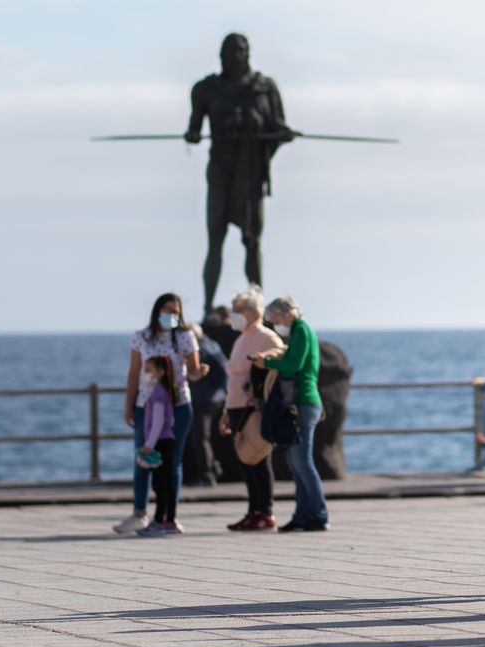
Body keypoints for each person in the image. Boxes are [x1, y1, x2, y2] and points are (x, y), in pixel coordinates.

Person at [185, 33, 295, 317]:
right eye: (230, 51)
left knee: (252, 240)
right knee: (215, 239)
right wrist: (193, 134)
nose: (235, 56)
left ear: (249, 54)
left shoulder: (265, 89)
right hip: (221, 171)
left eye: (241, 51)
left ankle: (257, 306)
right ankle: (208, 308)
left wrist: (280, 133)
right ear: (221, 55)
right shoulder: (206, 89)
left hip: (251, 174)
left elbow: (278, 129)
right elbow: (195, 128)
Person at [114, 293, 209, 535]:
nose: (172, 315)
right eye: (167, 310)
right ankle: (139, 512)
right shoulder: (142, 337)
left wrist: (199, 373)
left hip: (177, 405)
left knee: (172, 462)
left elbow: (193, 370)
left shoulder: (185, 336)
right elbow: (134, 372)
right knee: (143, 458)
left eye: (176, 311)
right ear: (157, 311)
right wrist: (129, 405)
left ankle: (169, 516)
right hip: (147, 403)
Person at [252, 295, 328, 532]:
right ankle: (303, 514)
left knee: (302, 461)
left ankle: (318, 513)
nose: (276, 324)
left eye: (275, 319)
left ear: (288, 314)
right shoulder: (297, 332)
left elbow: (294, 365)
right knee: (296, 462)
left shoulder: (302, 331)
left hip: (304, 401)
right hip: (299, 402)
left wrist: (269, 364)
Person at [220, 287, 284, 531]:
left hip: (253, 408)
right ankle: (253, 510)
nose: (233, 314)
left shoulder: (265, 336)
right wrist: (226, 410)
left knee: (259, 457)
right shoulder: (241, 338)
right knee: (246, 460)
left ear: (252, 312)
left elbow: (278, 359)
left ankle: (265, 511)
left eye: (237, 309)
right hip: (236, 406)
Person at [135, 356, 182, 536]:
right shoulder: (164, 391)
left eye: (149, 370)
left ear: (160, 373)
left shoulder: (158, 393)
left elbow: (158, 422)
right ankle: (169, 520)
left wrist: (149, 444)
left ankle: (160, 520)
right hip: (166, 441)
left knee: (160, 483)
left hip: (161, 442)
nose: (146, 374)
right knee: (167, 483)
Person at [186, 322, 228, 486]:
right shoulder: (212, 344)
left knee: (200, 438)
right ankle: (213, 468)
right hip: (216, 398)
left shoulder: (199, 350)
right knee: (206, 437)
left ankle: (207, 474)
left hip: (203, 398)